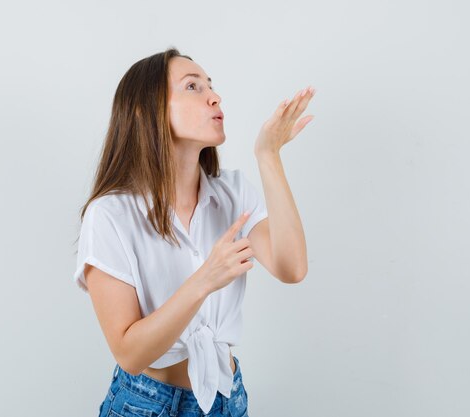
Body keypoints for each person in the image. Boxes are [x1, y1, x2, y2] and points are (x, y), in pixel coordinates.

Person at [73, 47, 313, 417]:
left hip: (226, 398)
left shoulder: (233, 192)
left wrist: (269, 155)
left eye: (210, 86)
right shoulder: (109, 215)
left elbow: (291, 267)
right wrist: (204, 280)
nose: (213, 96)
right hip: (147, 404)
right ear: (146, 112)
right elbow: (129, 353)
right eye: (192, 87)